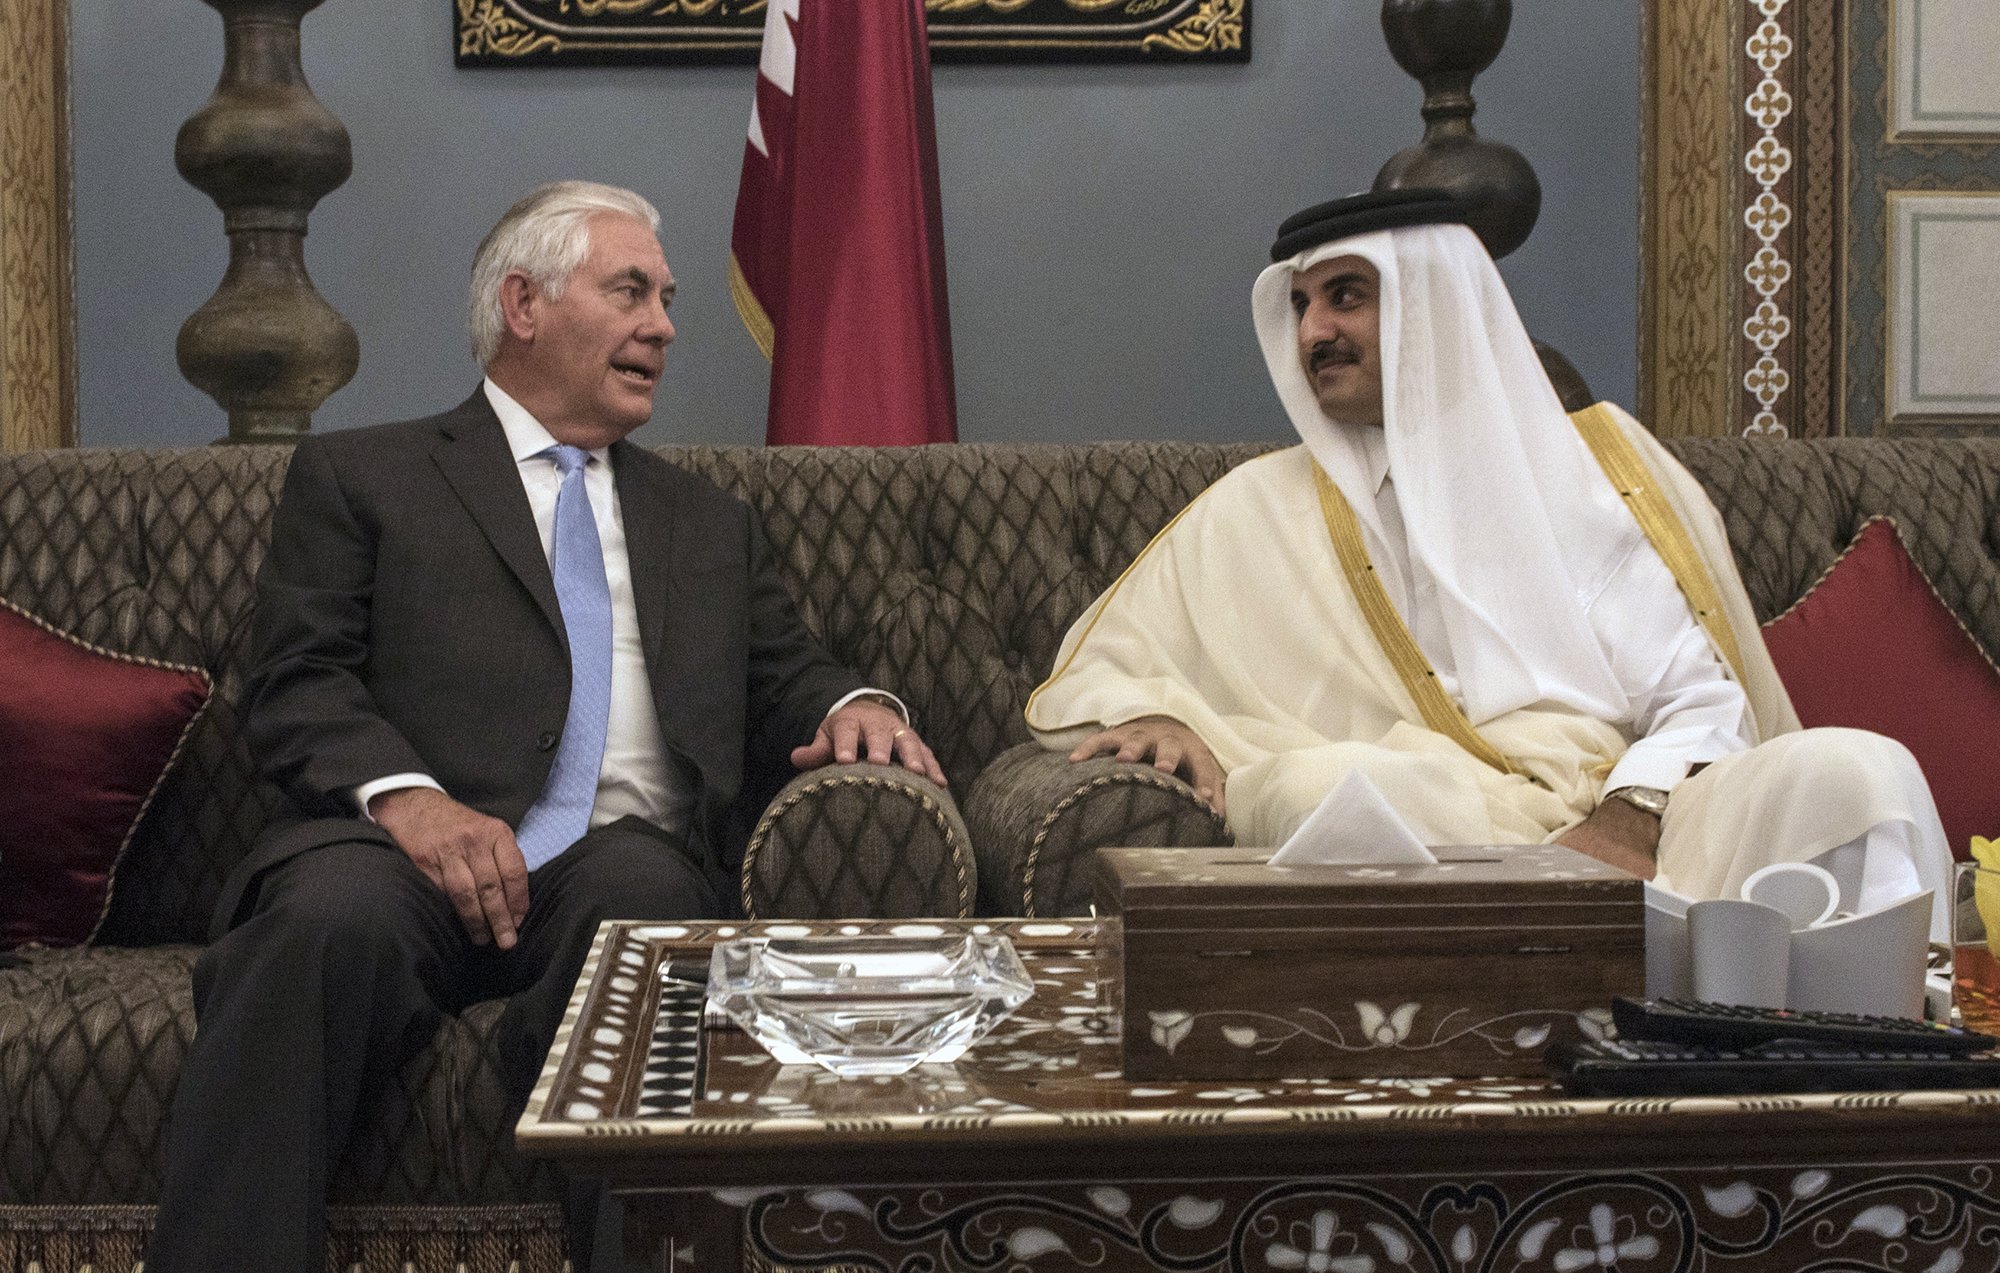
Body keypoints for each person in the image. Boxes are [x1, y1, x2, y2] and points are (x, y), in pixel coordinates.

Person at [147, 181, 945, 1272]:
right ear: (522, 305)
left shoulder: (707, 524)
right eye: (630, 291)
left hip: (611, 864)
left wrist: (854, 704)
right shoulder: (363, 476)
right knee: (318, 925)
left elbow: (783, 675)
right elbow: (296, 682)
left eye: (665, 299)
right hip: (398, 855)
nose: (662, 324)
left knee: (652, 914)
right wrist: (413, 801)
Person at [1028, 188, 1949, 931]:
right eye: (1302, 304)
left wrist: (1627, 818)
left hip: (1644, 814)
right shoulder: (1259, 506)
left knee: (1852, 773)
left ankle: (1882, 1102)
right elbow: (1106, 669)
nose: (1312, 332)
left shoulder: (1598, 469)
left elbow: (1702, 703)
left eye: (1346, 295)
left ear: (1433, 307)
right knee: (1334, 788)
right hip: (1440, 826)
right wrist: (1162, 713)